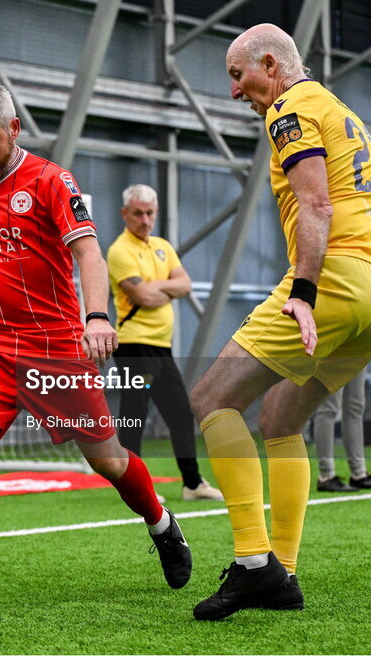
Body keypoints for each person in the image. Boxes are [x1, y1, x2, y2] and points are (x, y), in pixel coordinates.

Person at [0, 80, 192, 615]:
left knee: (107, 460)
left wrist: (97, 317)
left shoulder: (50, 182)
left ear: (14, 129)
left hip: (55, 344)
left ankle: (160, 522)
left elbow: (88, 252)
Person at [189, 24, 371, 620]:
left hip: (334, 278)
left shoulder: (288, 108)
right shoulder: (339, 109)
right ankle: (282, 573)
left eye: (238, 75)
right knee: (281, 417)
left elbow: (317, 203)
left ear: (269, 63)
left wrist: (306, 292)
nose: (236, 91)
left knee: (210, 399)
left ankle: (254, 563)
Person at [107, 184, 223, 502]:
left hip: (161, 346)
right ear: (124, 215)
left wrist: (160, 287)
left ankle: (192, 484)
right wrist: (166, 287)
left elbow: (185, 285)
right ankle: (133, 486)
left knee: (180, 414)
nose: (145, 220)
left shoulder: (162, 246)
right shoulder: (119, 251)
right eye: (138, 214)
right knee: (136, 411)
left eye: (150, 213)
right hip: (133, 347)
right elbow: (142, 296)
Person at [312, 333, 371, 493]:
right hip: (337, 335)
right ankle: (326, 475)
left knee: (355, 406)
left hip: (360, 339)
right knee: (329, 408)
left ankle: (359, 473)